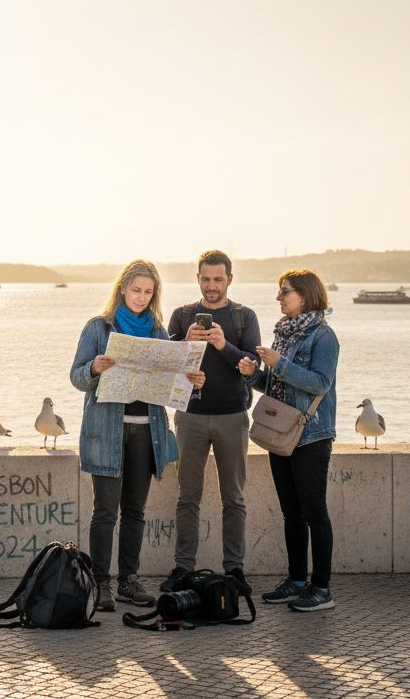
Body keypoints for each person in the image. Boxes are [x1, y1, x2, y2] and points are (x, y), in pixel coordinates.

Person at [70, 260, 204, 611]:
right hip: (107, 432)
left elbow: (167, 387)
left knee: (135, 511)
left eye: (148, 292)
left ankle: (128, 580)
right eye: (136, 290)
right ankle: (101, 584)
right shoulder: (98, 328)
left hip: (148, 433)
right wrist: (94, 368)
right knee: (105, 512)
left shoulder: (159, 333)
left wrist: (188, 381)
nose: (142, 297)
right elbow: (77, 378)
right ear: (122, 290)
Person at [238, 269, 340, 612]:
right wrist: (256, 376)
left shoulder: (323, 337)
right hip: (281, 432)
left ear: (305, 295)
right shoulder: (284, 333)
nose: (278, 298)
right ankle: (297, 580)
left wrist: (278, 363)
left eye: (285, 292)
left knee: (314, 512)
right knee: (291, 513)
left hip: (311, 435)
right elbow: (278, 387)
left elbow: (319, 384)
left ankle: (321, 587)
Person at [160, 250, 260, 591]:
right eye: (206, 279)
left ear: (230, 279)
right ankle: (183, 568)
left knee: (234, 498)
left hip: (233, 417)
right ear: (198, 278)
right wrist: (186, 343)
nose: (212, 285)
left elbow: (252, 366)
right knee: (188, 497)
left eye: (218, 279)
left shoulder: (244, 317)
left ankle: (235, 570)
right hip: (189, 417)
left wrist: (223, 346)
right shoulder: (181, 316)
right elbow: (163, 365)